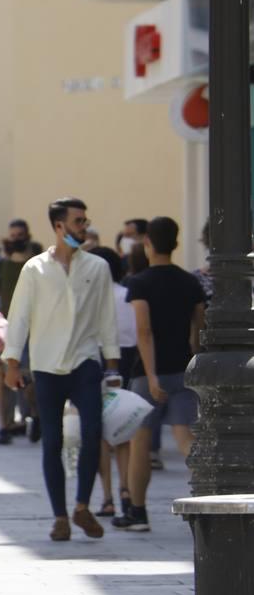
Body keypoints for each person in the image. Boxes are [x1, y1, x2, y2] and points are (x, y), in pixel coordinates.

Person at [4, 198, 120, 542]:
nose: (84, 226)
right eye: (78, 221)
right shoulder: (34, 269)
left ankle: (82, 507)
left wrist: (112, 364)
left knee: (93, 433)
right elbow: (19, 316)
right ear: (59, 226)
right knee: (51, 440)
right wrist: (12, 362)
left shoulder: (97, 267)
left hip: (85, 362)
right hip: (47, 366)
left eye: (85, 221)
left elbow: (106, 317)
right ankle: (59, 517)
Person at [111, 216, 206, 532]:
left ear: (147, 243)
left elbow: (144, 330)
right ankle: (210, 493)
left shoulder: (140, 282)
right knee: (184, 436)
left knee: (140, 442)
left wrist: (151, 376)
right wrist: (193, 358)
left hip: (148, 373)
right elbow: (198, 328)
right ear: (176, 243)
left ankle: (138, 512)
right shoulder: (190, 282)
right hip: (183, 368)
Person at [89, 247, 135, 520]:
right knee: (124, 430)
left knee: (100, 435)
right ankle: (126, 489)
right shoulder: (127, 295)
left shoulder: (89, 298)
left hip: (96, 363)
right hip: (127, 363)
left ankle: (106, 497)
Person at [0, 220, 39, 445]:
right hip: (8, 326)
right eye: (13, 235)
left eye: (20, 235)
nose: (16, 239)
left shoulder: (38, 263)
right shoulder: (2, 265)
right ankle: (5, 424)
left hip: (34, 327)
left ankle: (34, 416)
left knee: (30, 376)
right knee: (3, 377)